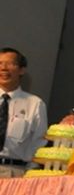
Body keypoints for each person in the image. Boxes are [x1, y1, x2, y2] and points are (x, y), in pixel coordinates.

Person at [0, 47, 47, 178]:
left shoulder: (35, 104)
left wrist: (29, 175)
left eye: (10, 64)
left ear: (21, 70)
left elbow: (39, 144)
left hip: (13, 172)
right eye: (0, 63)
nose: (4, 68)